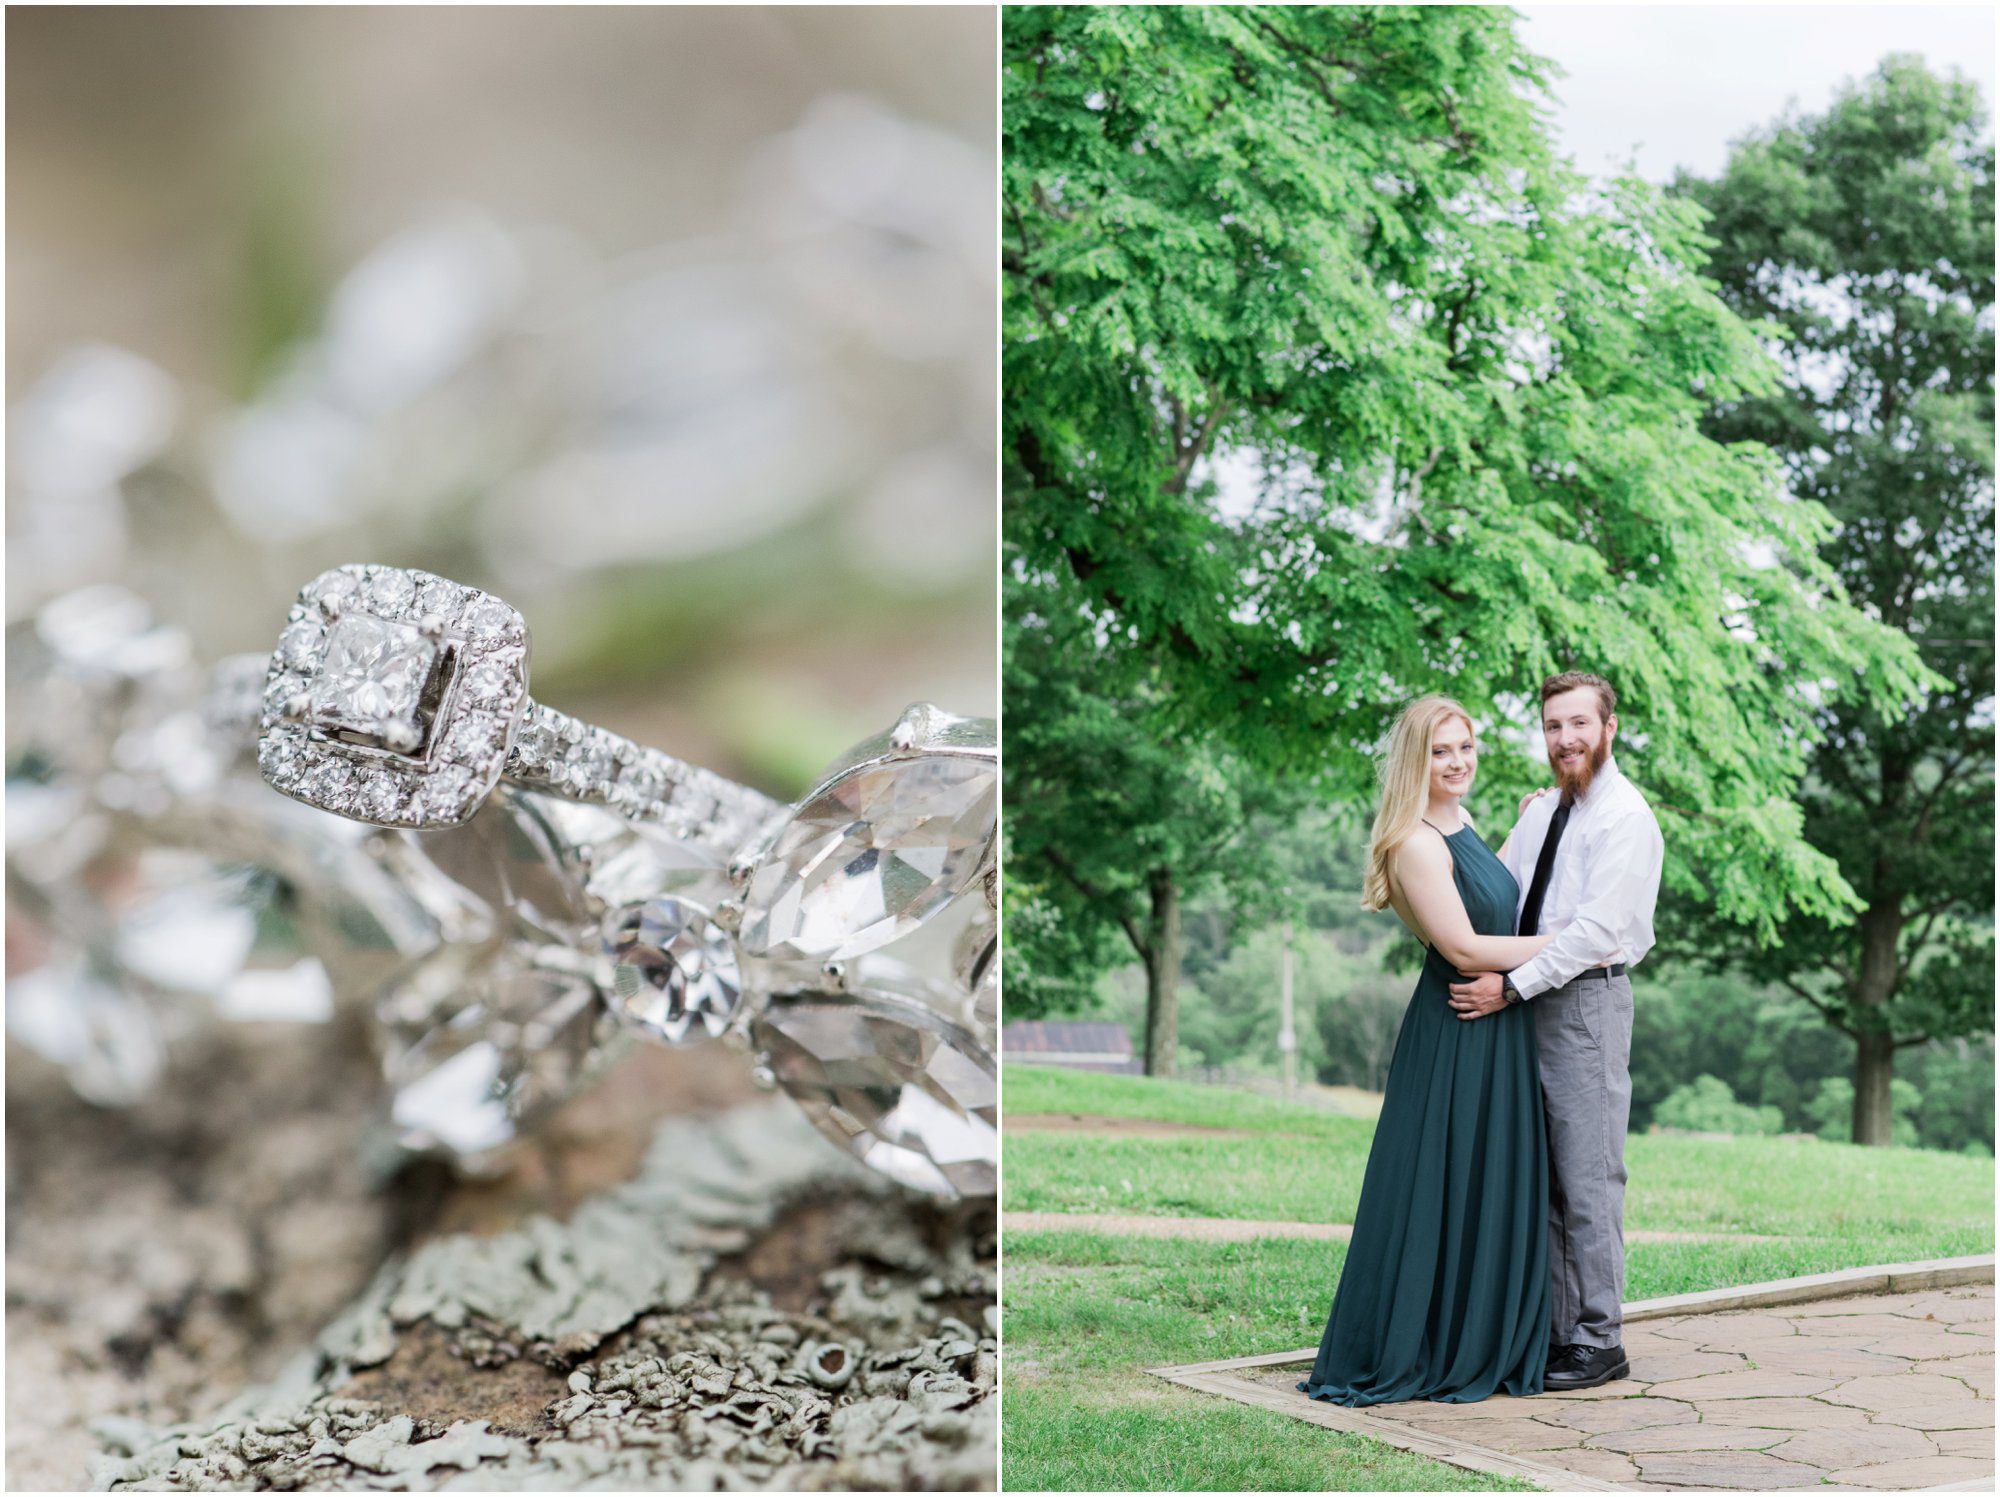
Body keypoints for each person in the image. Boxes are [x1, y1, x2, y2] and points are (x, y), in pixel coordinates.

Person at [1300, 696, 1555, 1406]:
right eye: (1442, 750)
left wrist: (1521, 832)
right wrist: (1575, 942)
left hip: (1493, 1022)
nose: (1458, 760)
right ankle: (1424, 1345)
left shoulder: (1458, 823)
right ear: (1417, 759)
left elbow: (1485, 894)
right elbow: (1465, 945)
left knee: (1478, 1181)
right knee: (1439, 1186)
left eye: (1466, 746)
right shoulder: (1413, 840)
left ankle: (1470, 1334)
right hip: (1457, 1033)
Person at [1447, 671, 1665, 1393]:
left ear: (1609, 727)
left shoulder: (1624, 817)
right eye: (1552, 726)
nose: (1565, 738)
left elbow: (1596, 930)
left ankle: (1599, 1338)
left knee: (1588, 1175)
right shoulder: (1543, 813)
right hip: (1528, 1001)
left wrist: (1508, 985)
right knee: (1538, 1176)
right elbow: (1506, 893)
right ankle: (1555, 1331)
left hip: (1584, 1006)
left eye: (1578, 723)